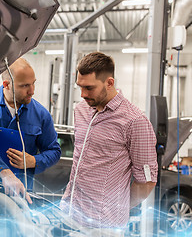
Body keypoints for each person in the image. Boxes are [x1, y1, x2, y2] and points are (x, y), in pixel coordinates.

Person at [60, 52, 158, 233]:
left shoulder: (134, 121)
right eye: (80, 87)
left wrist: (116, 210)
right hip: (69, 215)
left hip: (103, 226)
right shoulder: (82, 110)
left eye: (89, 88)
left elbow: (146, 182)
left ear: (109, 83)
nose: (82, 94)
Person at [0, 58, 61, 204]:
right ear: (6, 85)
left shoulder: (41, 115)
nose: (32, 91)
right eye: (25, 85)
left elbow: (54, 151)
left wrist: (34, 161)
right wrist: (5, 173)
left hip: (21, 196)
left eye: (33, 83)